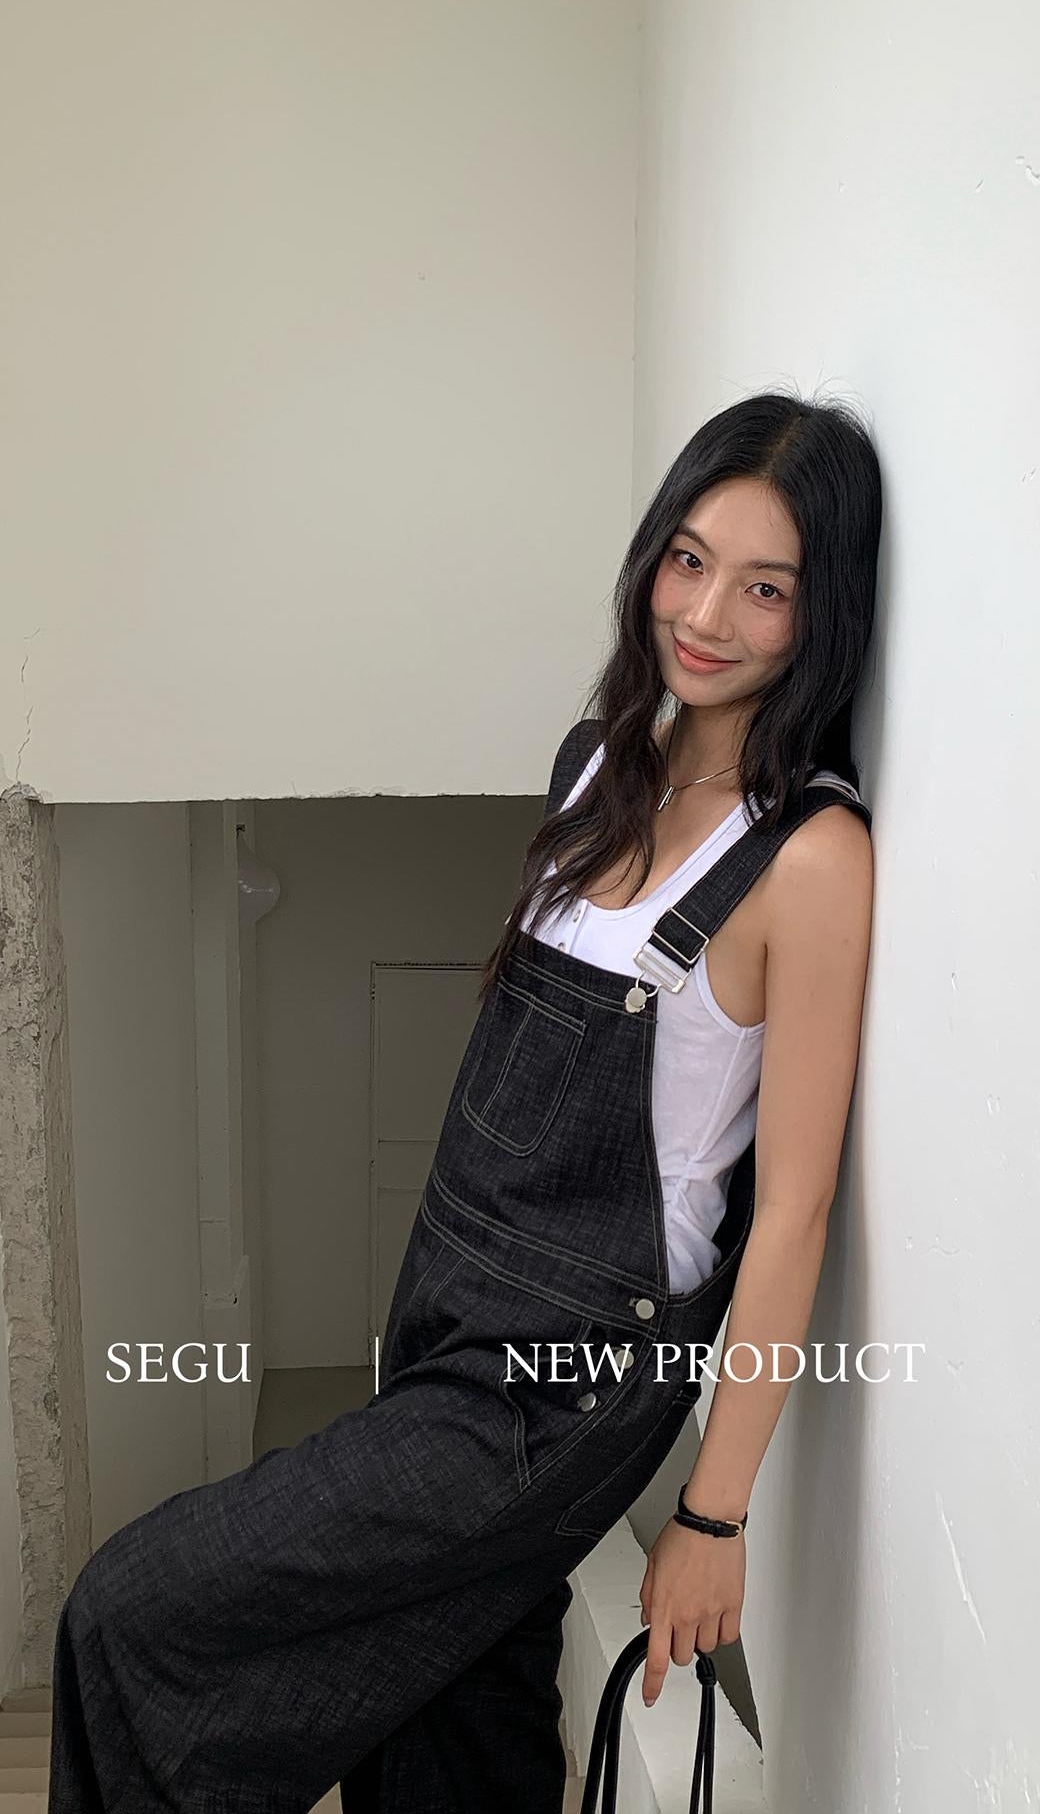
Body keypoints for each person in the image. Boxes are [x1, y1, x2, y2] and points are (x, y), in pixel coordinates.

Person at [47, 389, 882, 1811]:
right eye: (688, 560)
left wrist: (712, 1515)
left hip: (569, 1377)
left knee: (136, 1613)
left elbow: (792, 1214)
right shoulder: (597, 763)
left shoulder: (808, 856)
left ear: (826, 612)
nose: (706, 616)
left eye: (767, 587)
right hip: (448, 1289)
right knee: (445, 1701)